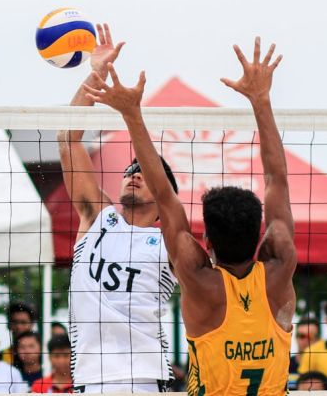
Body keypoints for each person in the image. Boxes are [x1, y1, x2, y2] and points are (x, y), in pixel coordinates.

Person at [83, 36, 296, 395]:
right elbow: (278, 179)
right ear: (261, 234)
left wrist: (132, 116)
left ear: (207, 242)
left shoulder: (202, 284)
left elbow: (165, 198)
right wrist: (261, 100)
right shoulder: (280, 269)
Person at [58, 23, 178, 393]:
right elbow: (67, 138)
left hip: (141, 378)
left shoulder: (172, 241)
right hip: (89, 379)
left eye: (143, 173)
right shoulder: (98, 216)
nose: (132, 174)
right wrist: (96, 73)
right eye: (130, 170)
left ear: (163, 193)